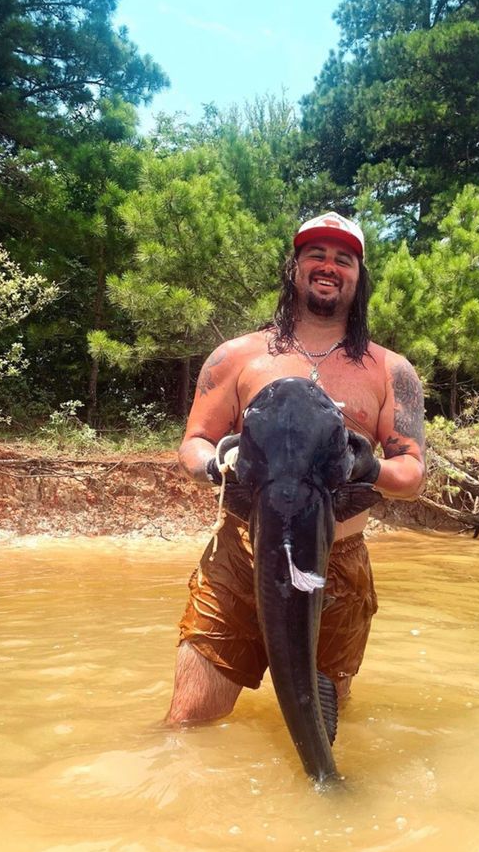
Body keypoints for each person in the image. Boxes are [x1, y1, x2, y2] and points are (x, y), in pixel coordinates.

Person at [166, 211, 426, 725]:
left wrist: (366, 467)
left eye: (344, 259)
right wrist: (218, 465)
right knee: (187, 725)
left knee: (326, 726)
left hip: (339, 566)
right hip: (239, 557)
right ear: (295, 267)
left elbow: (412, 476)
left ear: (359, 276)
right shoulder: (237, 356)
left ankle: (328, 797)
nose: (329, 266)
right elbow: (193, 444)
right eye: (316, 254)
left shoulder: (391, 370)